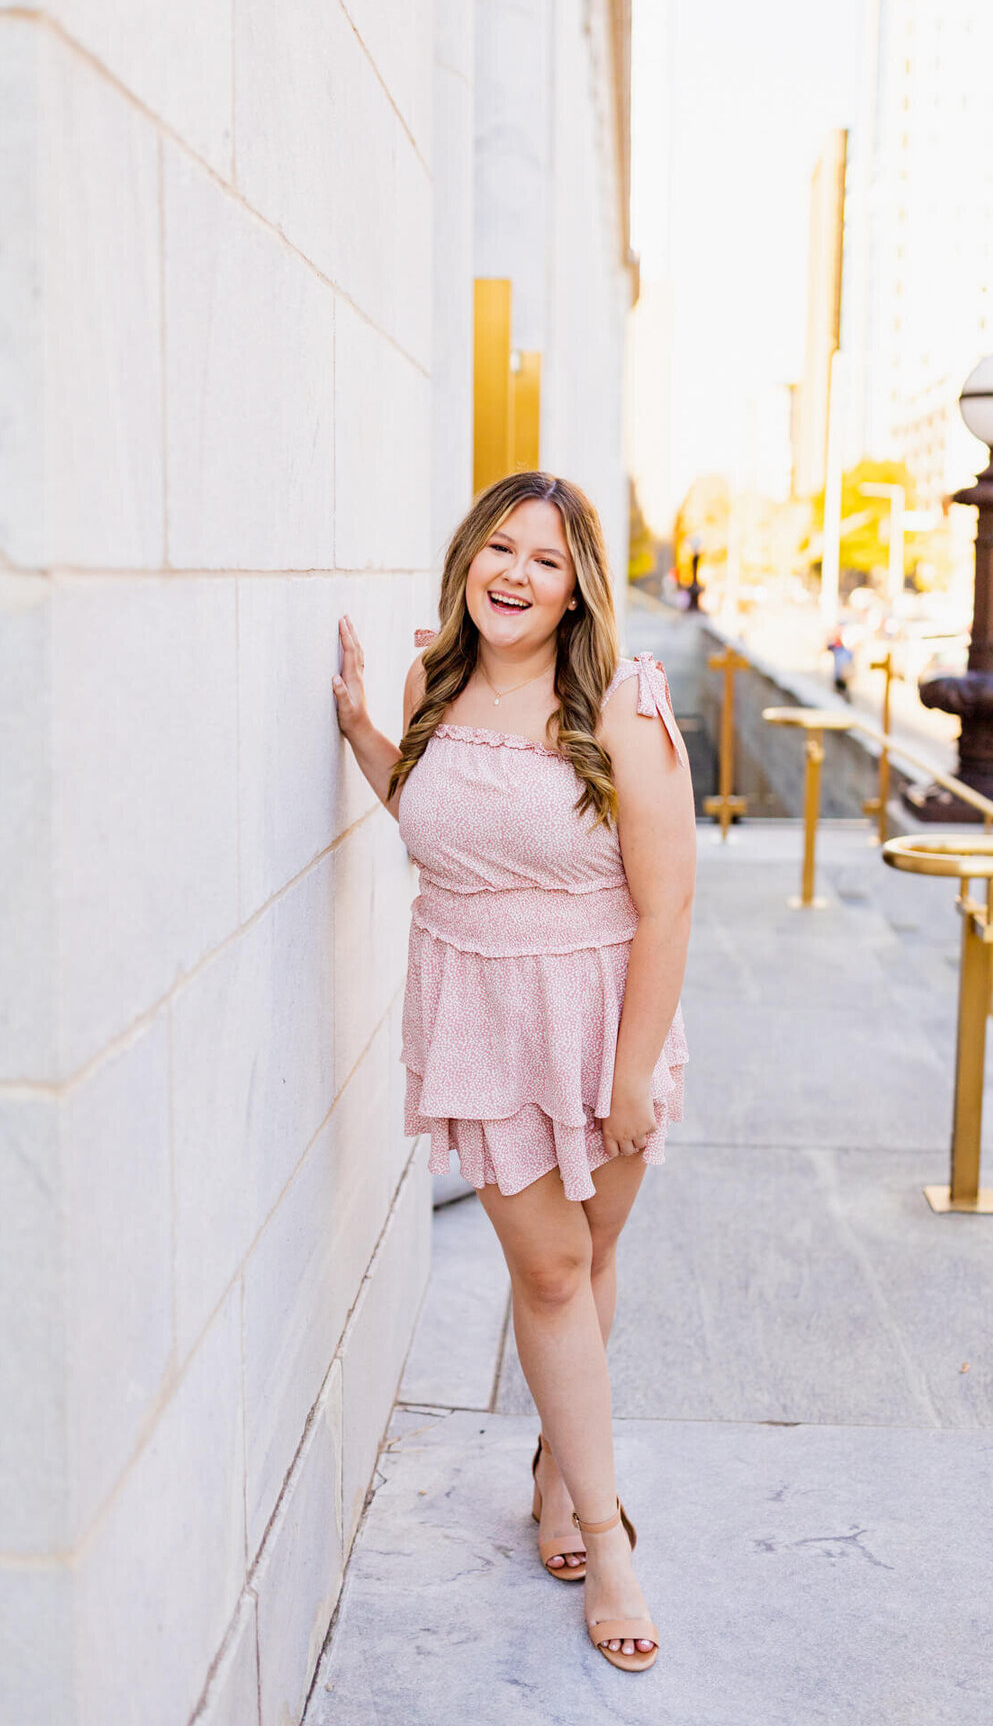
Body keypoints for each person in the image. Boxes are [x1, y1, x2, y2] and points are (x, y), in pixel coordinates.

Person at [331, 470, 695, 1675]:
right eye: (501, 547)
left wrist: (634, 1069)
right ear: (468, 558)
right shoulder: (433, 683)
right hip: (480, 1013)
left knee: (587, 1261)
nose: (517, 574)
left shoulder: (624, 709)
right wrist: (368, 738)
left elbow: (669, 902)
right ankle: (607, 1526)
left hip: (599, 1019)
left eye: (545, 559)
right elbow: (438, 823)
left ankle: (555, 1458)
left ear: (577, 586)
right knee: (547, 1273)